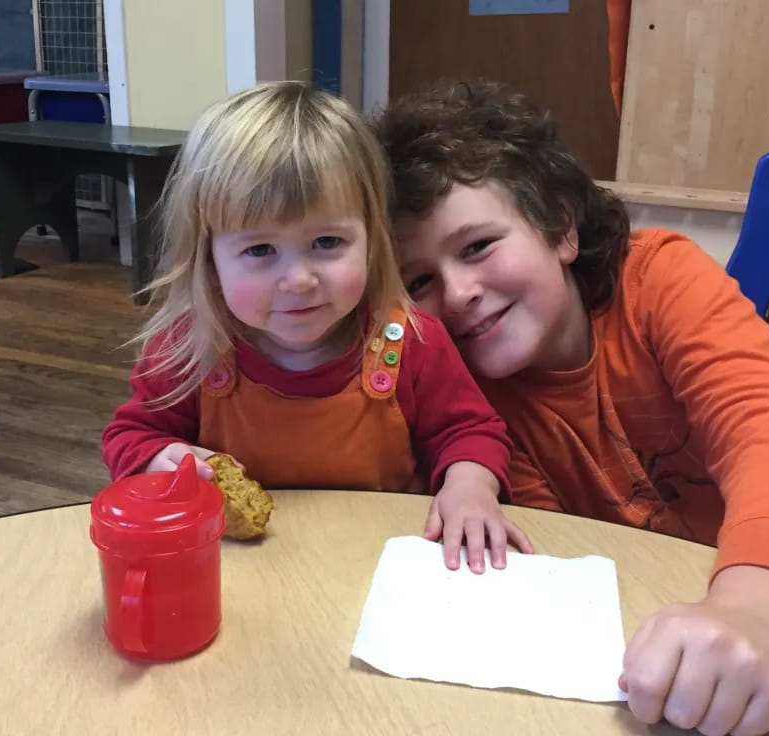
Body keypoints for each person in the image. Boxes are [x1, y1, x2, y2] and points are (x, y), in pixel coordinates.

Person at [375, 80, 769, 735]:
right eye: (420, 281)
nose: (457, 293)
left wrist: (758, 610)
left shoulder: (659, 280)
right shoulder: (462, 394)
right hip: (647, 644)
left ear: (561, 229)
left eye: (479, 246)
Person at [101, 82, 533, 572]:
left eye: (328, 241)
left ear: (372, 239)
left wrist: (470, 487)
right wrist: (165, 460)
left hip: (380, 568)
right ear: (209, 258)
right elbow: (130, 436)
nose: (299, 280)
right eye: (260, 250)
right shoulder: (189, 349)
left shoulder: (410, 341)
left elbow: (471, 431)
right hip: (240, 574)